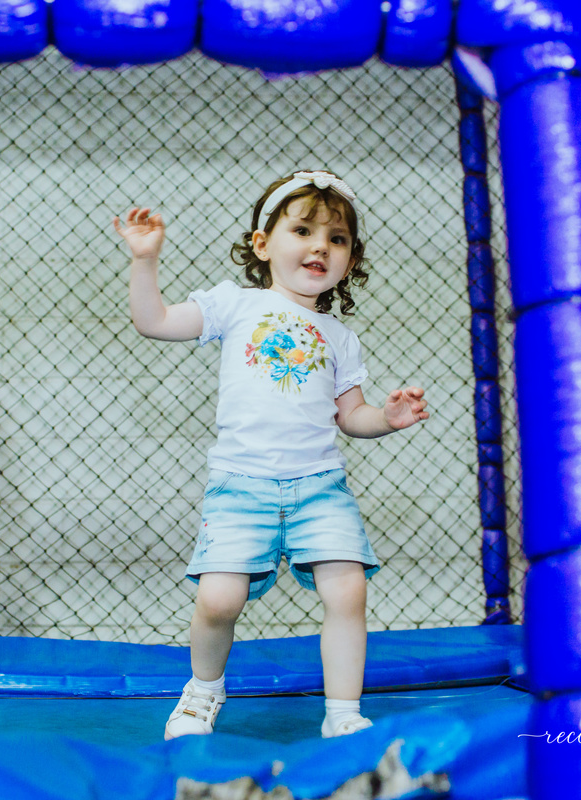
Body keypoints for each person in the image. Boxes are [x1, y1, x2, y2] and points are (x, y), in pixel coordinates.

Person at [114, 170, 429, 740]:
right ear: (262, 244)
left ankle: (343, 712)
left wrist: (388, 418)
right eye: (303, 230)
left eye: (336, 239)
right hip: (242, 484)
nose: (319, 246)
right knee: (217, 599)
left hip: (319, 485)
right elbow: (153, 321)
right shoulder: (235, 305)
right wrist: (145, 260)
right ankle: (202, 692)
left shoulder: (339, 337)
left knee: (348, 589)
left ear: (350, 260)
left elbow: (351, 416)